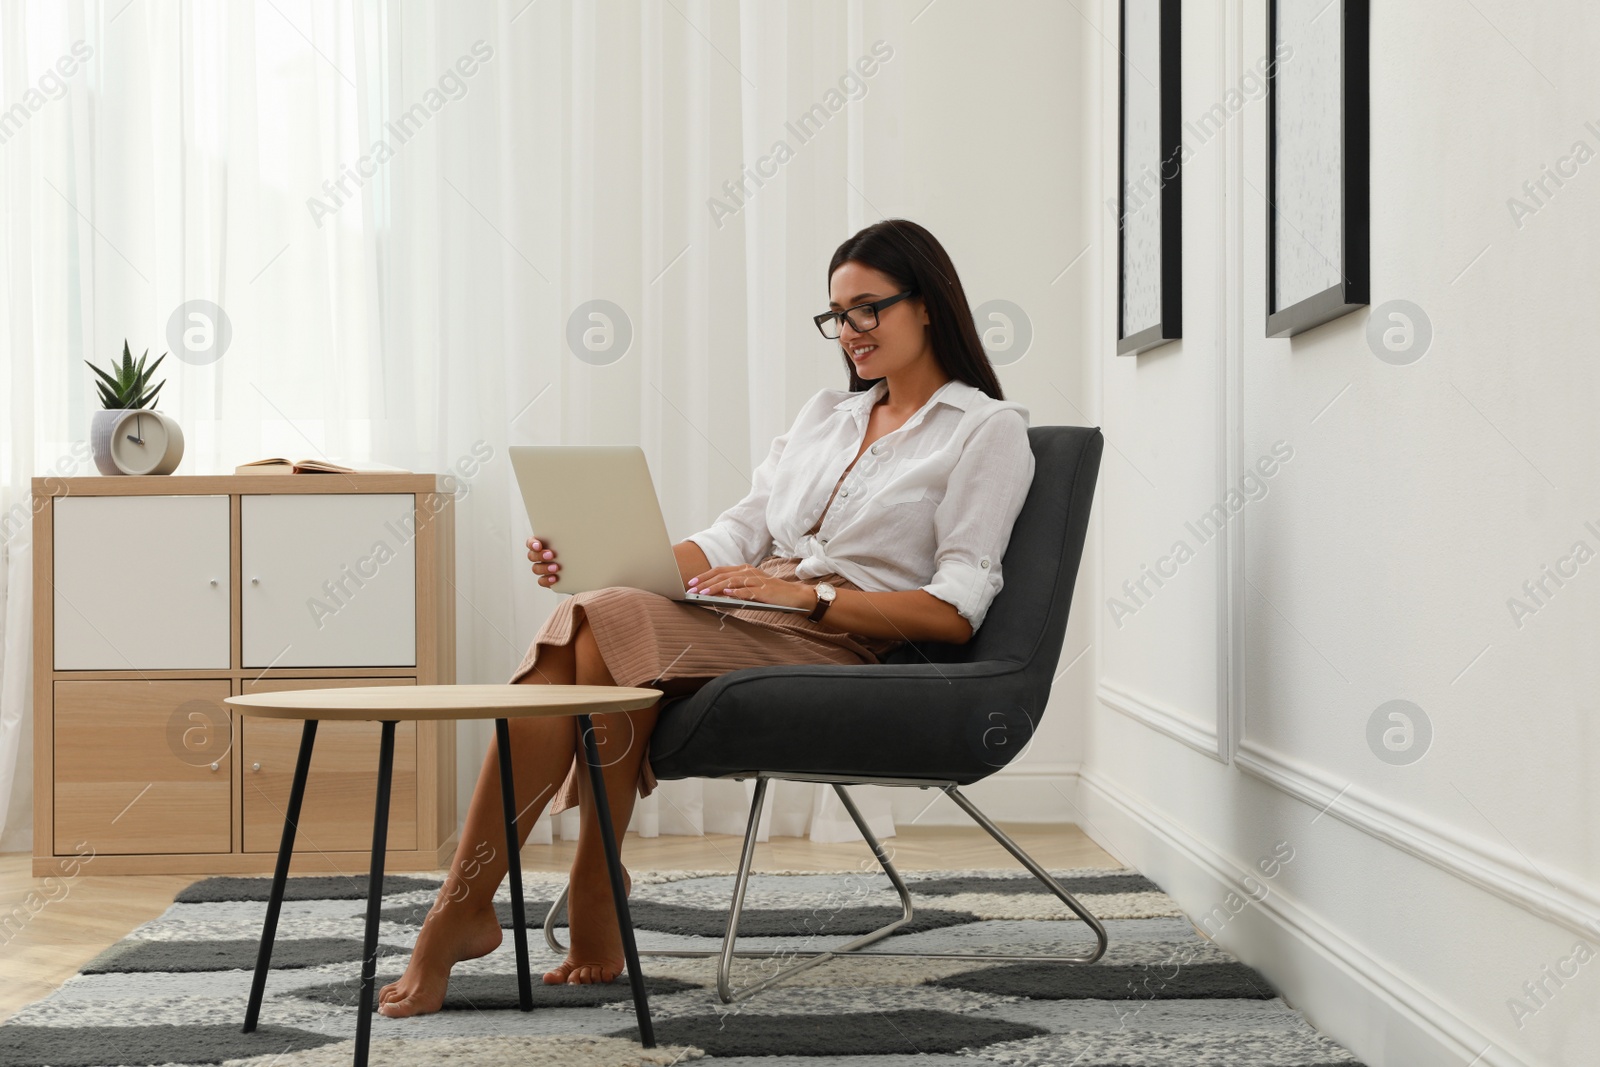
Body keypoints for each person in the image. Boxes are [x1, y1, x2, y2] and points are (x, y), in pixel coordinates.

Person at [376, 217, 1036, 1017]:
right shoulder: (828, 414)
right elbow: (737, 533)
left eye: (869, 309)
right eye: (837, 316)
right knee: (592, 612)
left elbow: (957, 608)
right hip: (752, 613)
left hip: (845, 642)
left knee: (596, 626)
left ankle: (477, 908)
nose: (850, 332)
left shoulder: (985, 430)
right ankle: (569, 887)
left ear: (928, 303)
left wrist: (811, 598)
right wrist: (600, 559)